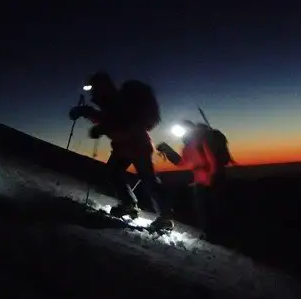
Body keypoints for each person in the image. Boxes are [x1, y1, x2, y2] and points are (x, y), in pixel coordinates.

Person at [69, 71, 174, 231]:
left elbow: (120, 122)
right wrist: (88, 113)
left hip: (136, 144)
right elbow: (109, 119)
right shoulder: (111, 100)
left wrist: (99, 126)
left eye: (95, 87)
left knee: (147, 178)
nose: (93, 92)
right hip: (125, 145)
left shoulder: (118, 100)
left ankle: (165, 216)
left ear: (102, 85)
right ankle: (129, 205)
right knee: (115, 172)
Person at [156, 122, 225, 240]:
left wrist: (211, 176)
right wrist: (167, 150)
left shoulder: (201, 144)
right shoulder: (188, 147)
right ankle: (210, 234)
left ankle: (215, 234)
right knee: (204, 208)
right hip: (200, 181)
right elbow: (182, 163)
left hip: (210, 181)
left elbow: (211, 161)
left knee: (210, 207)